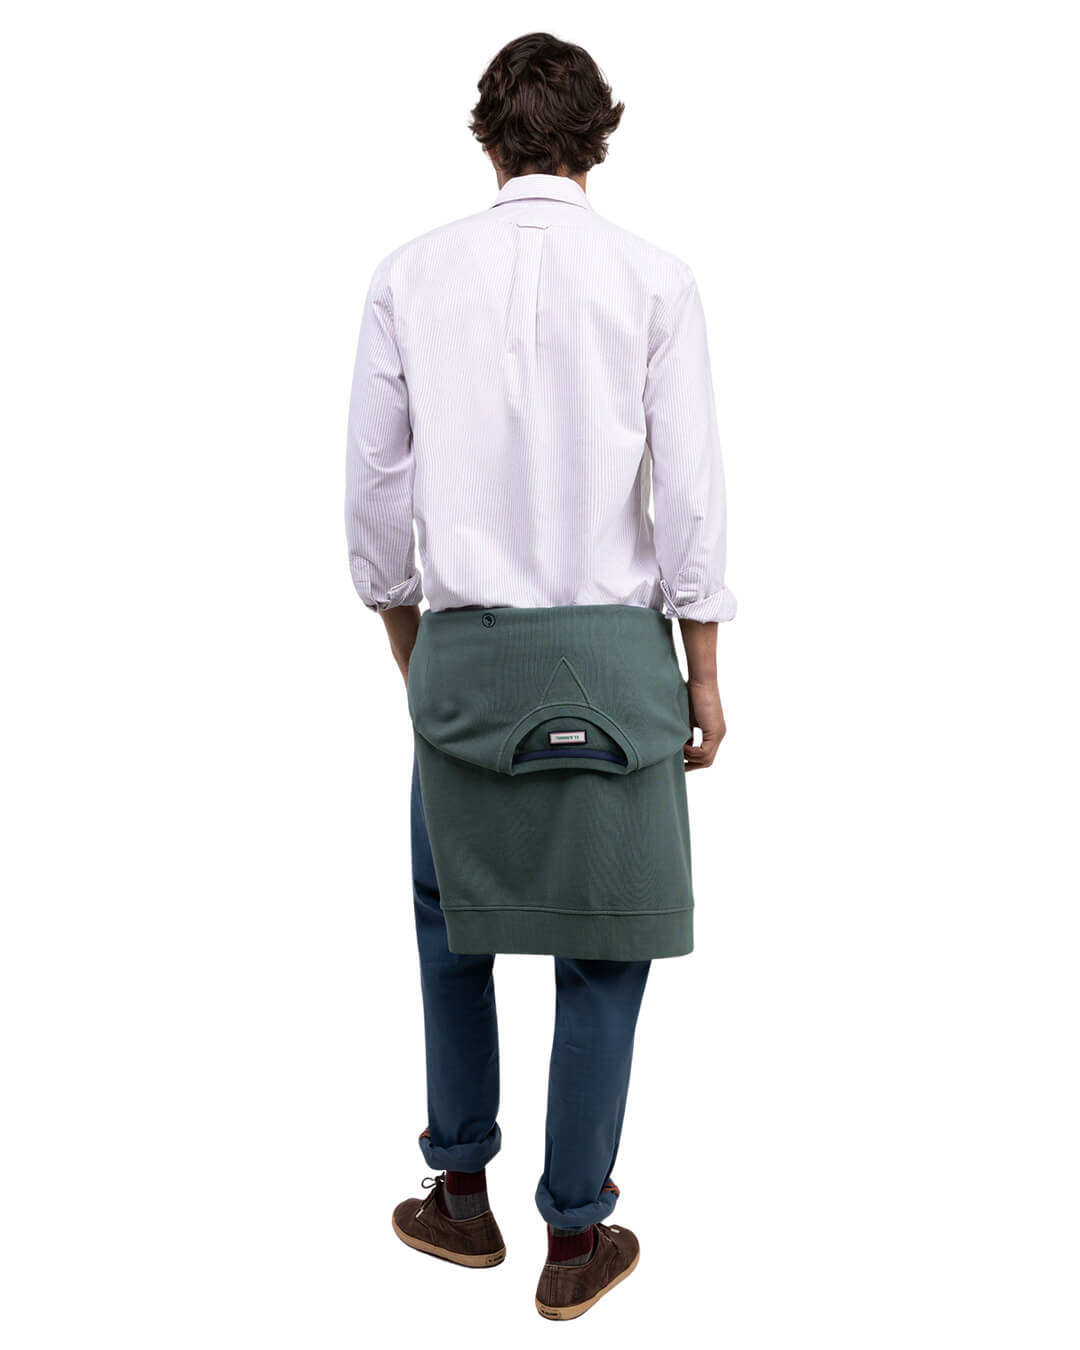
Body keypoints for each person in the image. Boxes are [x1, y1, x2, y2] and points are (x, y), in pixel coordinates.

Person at [344, 32, 735, 1321]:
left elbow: (375, 491)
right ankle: (575, 1239)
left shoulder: (409, 275)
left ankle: (460, 1197)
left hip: (466, 650)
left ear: (487, 138)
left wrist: (410, 642)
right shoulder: (657, 281)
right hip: (617, 664)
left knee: (448, 921)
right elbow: (691, 495)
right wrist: (704, 669)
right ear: (598, 140)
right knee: (603, 946)